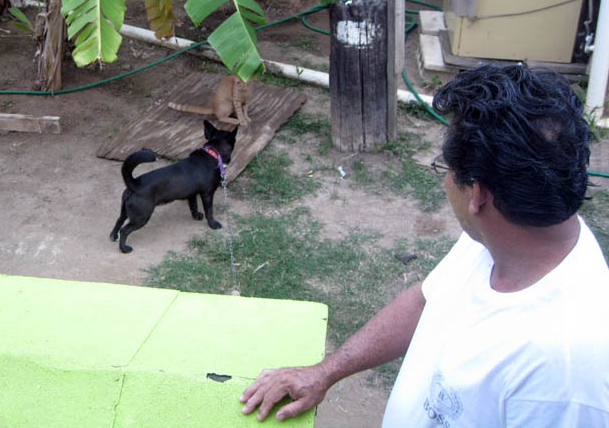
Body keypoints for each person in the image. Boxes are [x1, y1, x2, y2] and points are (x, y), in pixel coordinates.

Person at [240, 63, 609, 426]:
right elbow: (427, 300)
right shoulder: (511, 233)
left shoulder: (567, 376)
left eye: (445, 168)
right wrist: (324, 372)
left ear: (477, 195)